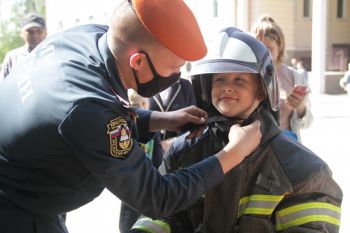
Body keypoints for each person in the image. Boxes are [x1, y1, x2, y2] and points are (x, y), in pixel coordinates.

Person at [0, 1, 262, 233]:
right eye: (174, 68)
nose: (175, 77)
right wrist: (234, 153)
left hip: (29, 189)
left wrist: (162, 119)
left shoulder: (89, 38)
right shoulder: (86, 107)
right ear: (137, 62)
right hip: (17, 209)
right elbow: (156, 197)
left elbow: (101, 112)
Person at [130, 27, 343, 233]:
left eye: (239, 79)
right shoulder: (182, 151)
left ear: (262, 90)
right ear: (205, 86)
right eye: (219, 79)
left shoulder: (304, 171)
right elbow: (162, 215)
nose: (226, 86)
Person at [252, 15, 313, 142]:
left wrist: (300, 107)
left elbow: (307, 122)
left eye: (269, 48)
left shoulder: (294, 76)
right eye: (259, 47)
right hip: (255, 149)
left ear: (280, 47)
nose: (264, 53)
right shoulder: (246, 76)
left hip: (287, 148)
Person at [0, 13, 47, 84]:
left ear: (46, 32)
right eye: (30, 32)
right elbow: (3, 87)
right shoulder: (12, 58)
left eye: (39, 31)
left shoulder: (54, 54)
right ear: (21, 33)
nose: (35, 35)